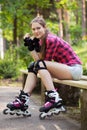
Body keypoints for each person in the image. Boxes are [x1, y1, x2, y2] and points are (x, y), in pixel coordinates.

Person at [4, 16, 83, 118]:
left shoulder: (50, 39)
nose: (36, 31)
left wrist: (33, 47)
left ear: (44, 28)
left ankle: (54, 98)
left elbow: (42, 62)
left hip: (74, 69)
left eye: (38, 28)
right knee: (33, 66)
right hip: (65, 69)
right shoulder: (42, 41)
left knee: (39, 64)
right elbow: (38, 61)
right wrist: (31, 47)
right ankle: (22, 100)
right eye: (33, 29)